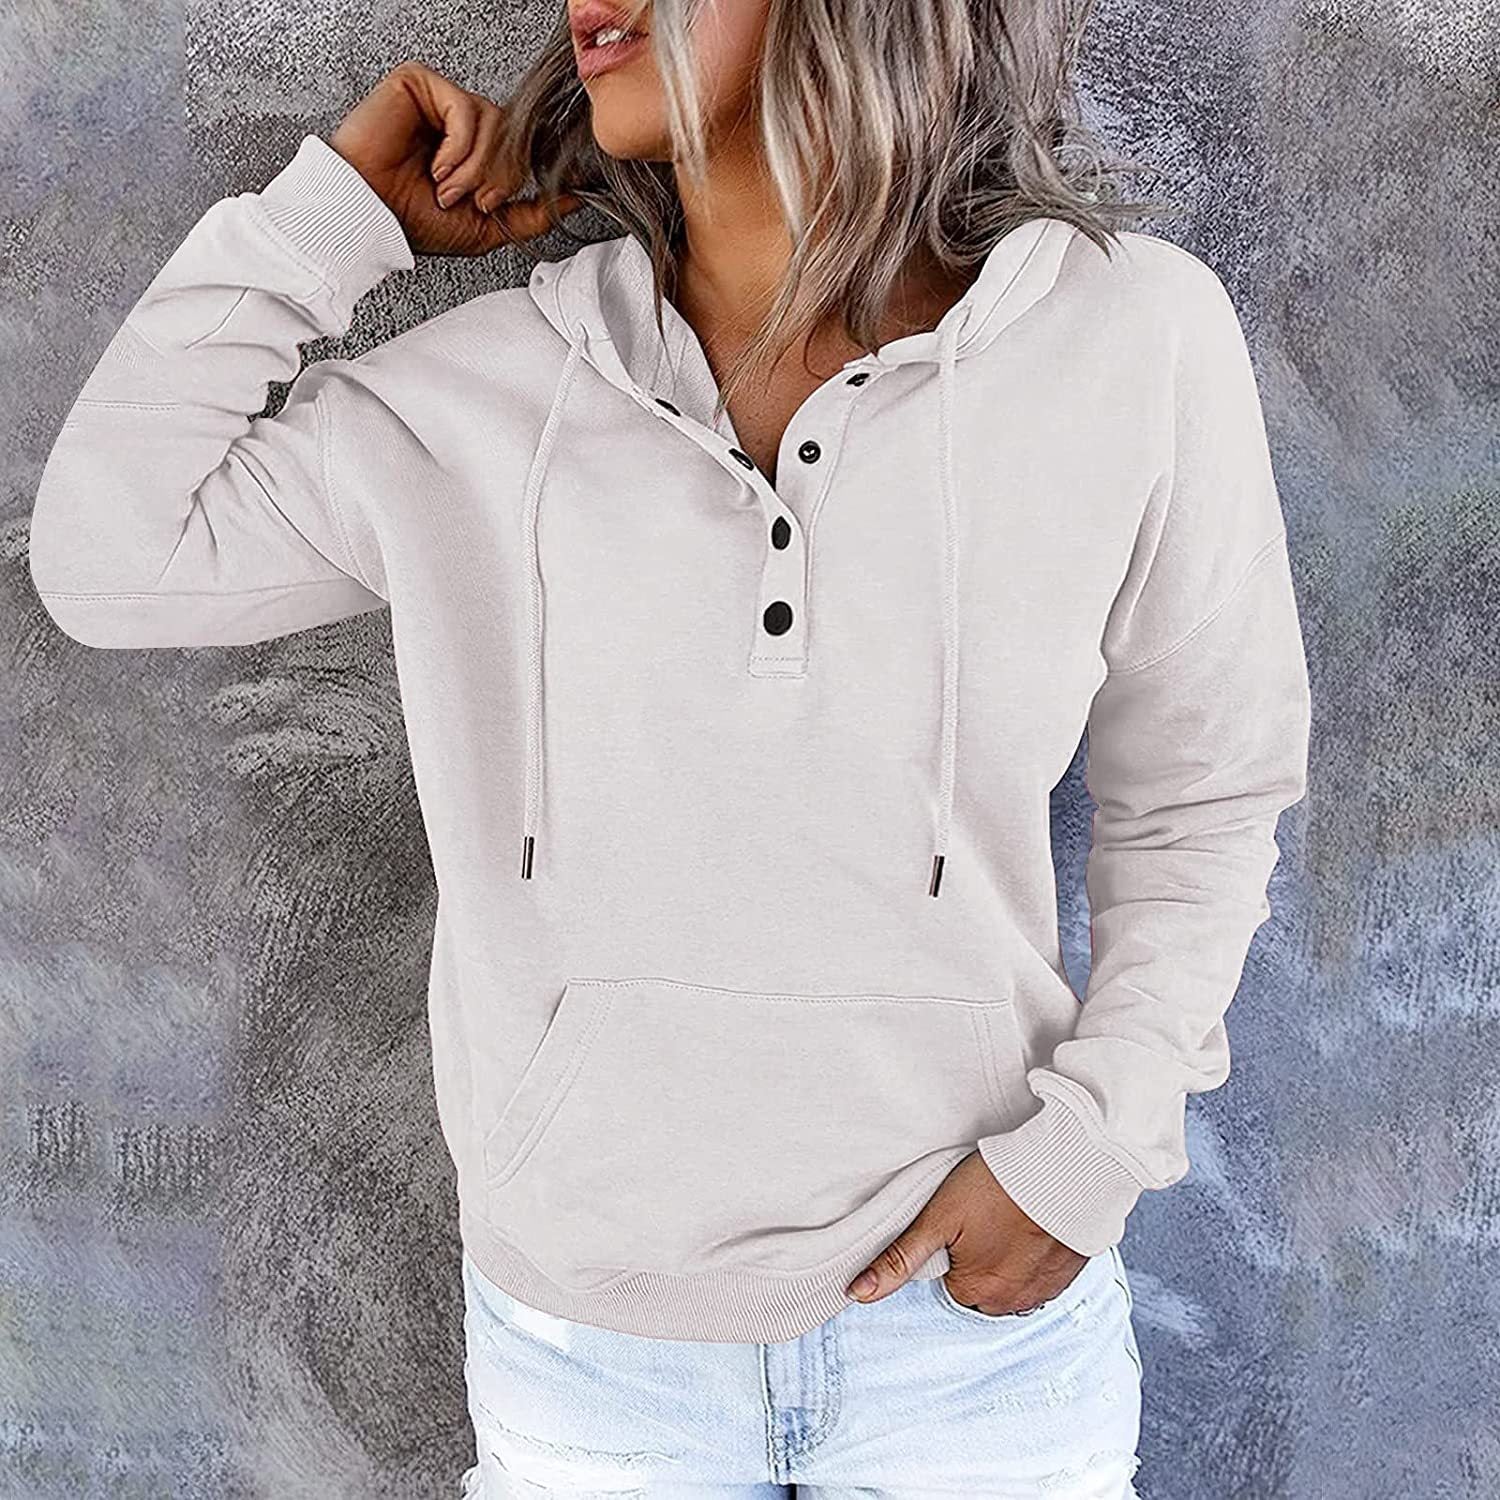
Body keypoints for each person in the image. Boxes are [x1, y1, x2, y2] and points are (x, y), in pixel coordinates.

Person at [28, 0, 1312, 1493]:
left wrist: (1091, 1153)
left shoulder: (1128, 334)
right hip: (593, 1363)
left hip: (974, 1340)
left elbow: (1206, 789)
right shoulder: (488, 392)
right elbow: (111, 559)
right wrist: (326, 223)